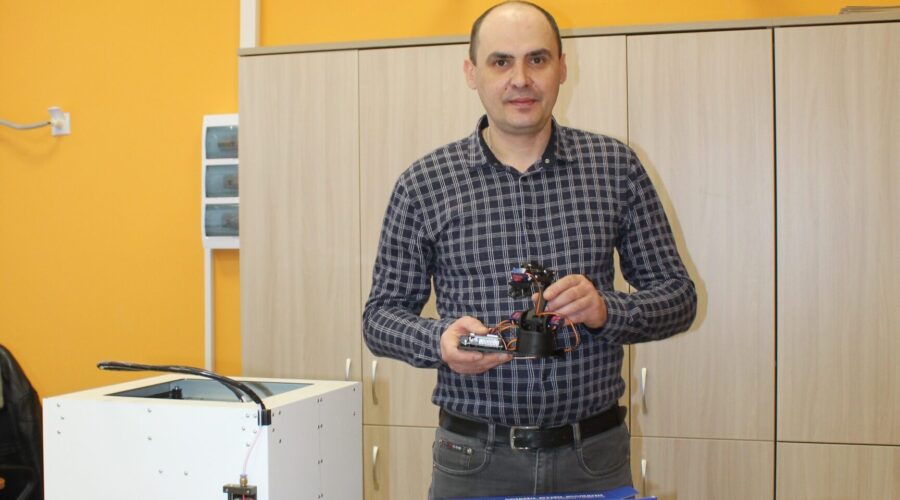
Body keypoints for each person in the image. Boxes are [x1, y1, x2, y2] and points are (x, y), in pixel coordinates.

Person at [363, 1, 697, 497]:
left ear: (562, 67)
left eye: (537, 59)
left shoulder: (614, 168)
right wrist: (439, 341)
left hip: (593, 456)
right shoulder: (424, 184)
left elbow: (678, 298)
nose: (520, 79)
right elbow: (379, 317)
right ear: (472, 73)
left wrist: (606, 310)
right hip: (473, 460)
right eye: (501, 61)